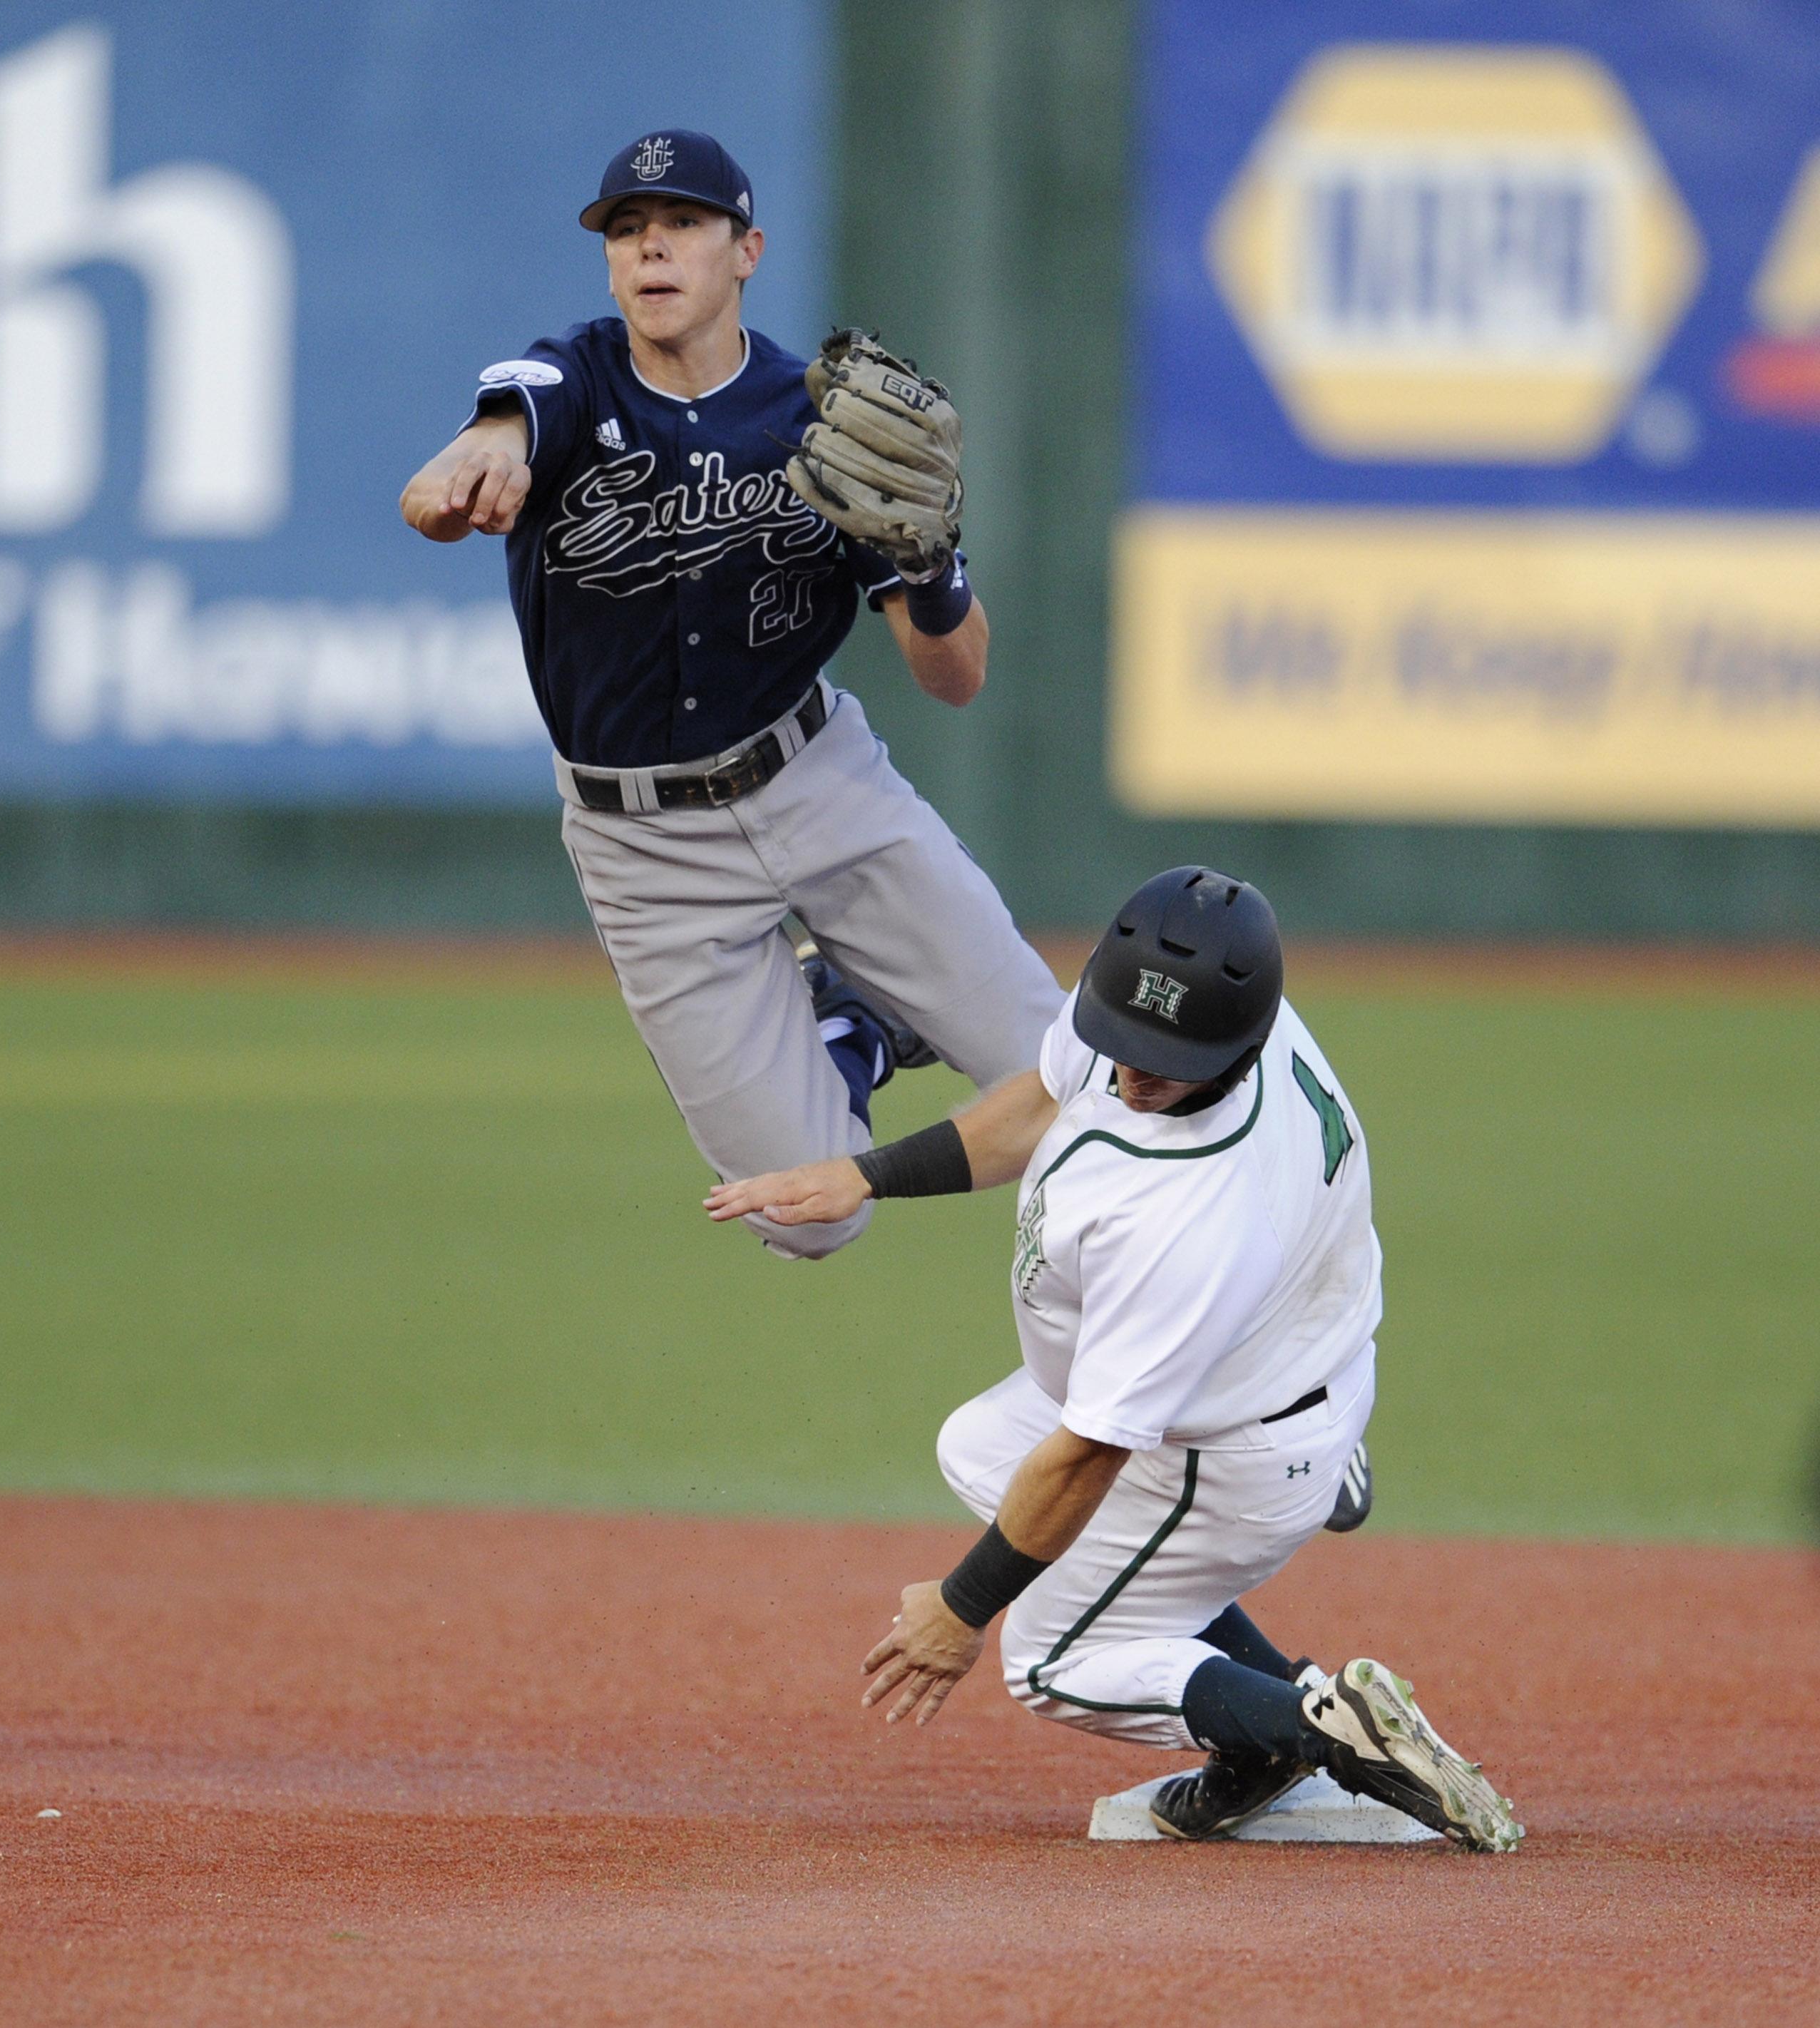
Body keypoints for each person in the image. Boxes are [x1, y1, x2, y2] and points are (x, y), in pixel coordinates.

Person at [706, 866, 1521, 1850]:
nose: (1134, 1070)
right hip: (1293, 1351)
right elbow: (1047, 1099)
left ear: (1235, 1040)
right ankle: (1288, 1664)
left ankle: (1311, 1735)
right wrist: (866, 1176)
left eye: (1164, 1061)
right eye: (1125, 1038)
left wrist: (961, 1610)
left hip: (1226, 1451)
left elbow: (1093, 1452)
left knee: (1048, 1658)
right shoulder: (1206, 1011)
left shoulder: (1193, 1220)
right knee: (979, 1450)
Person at [399, 128, 1064, 1259]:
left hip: (820, 786)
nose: (652, 246)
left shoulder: (819, 422)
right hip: (646, 852)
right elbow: (468, 455)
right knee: (814, 1218)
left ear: (746, 249)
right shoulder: (568, 380)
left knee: (1067, 1091)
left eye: (684, 223)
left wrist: (931, 565)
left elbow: (957, 679)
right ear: (610, 264)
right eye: (626, 229)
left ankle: (863, 999)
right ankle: (858, 1024)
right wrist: (471, 462)